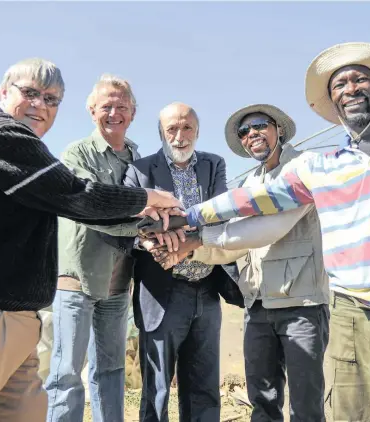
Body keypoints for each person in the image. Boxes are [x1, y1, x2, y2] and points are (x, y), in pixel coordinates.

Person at [154, 42, 370, 422]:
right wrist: (187, 216)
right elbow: (250, 200)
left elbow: (266, 227)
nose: (350, 89)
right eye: (339, 85)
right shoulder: (324, 168)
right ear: (332, 101)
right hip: (349, 314)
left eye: (360, 79)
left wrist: (193, 236)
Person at [0, 58, 181, 422]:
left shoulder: (17, 142)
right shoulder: (1, 135)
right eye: (30, 93)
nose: (40, 105)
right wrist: (149, 201)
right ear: (3, 92)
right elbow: (76, 196)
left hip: (11, 319)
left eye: (51, 100)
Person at [153, 104, 330, 421]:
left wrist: (194, 237)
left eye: (260, 126)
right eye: (244, 132)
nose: (252, 135)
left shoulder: (304, 166)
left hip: (300, 301)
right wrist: (187, 250)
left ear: (279, 129)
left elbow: (266, 229)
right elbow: (233, 244)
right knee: (262, 401)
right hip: (258, 303)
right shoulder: (250, 183)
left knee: (305, 405)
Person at [124, 102, 244, 422]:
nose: (180, 136)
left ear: (198, 131)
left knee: (204, 386)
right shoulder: (140, 170)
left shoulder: (213, 164)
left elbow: (221, 213)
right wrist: (155, 238)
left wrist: (181, 236)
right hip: (163, 289)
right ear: (161, 133)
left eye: (187, 127)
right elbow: (131, 222)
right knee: (158, 388)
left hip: (206, 287)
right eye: (172, 129)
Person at [45, 74, 141, 422]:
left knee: (111, 369)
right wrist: (143, 222)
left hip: (118, 282)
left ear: (132, 112)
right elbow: (92, 209)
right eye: (106, 106)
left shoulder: (137, 158)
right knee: (67, 371)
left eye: (121, 106)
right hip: (78, 277)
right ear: (91, 111)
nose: (114, 112)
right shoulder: (76, 153)